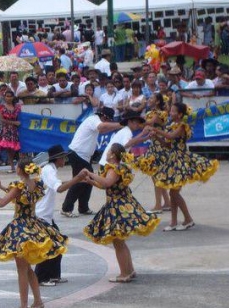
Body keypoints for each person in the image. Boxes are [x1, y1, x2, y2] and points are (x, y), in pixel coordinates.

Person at [0, 159, 67, 308]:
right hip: (33, 225)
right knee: (27, 269)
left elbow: (2, 203)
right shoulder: (34, 184)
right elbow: (18, 196)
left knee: (22, 271)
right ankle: (38, 301)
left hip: (20, 228)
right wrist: (1, 186)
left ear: (20, 170)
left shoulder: (19, 185)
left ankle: (24, 305)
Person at [82, 143, 160, 282]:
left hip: (117, 207)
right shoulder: (119, 168)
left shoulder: (114, 169)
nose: (106, 153)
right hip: (122, 204)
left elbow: (106, 183)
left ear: (113, 155)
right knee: (121, 242)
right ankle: (129, 270)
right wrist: (91, 181)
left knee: (118, 242)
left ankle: (124, 274)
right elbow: (105, 185)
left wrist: (90, 173)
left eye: (108, 151)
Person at [141, 103, 219, 231]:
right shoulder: (172, 126)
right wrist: (156, 137)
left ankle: (188, 219)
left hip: (181, 160)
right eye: (170, 110)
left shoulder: (183, 126)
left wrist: (155, 130)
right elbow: (167, 144)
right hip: (172, 160)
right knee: (173, 191)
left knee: (174, 192)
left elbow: (171, 136)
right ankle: (173, 222)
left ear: (180, 114)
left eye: (172, 111)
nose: (170, 113)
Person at [35, 145, 86, 287]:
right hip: (41, 216)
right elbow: (59, 189)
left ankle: (53, 275)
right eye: (63, 157)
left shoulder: (50, 170)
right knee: (47, 246)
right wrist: (77, 178)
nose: (65, 159)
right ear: (58, 159)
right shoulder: (48, 171)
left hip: (46, 216)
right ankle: (41, 277)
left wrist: (79, 180)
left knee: (58, 242)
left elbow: (57, 184)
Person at [61, 107, 122, 218]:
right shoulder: (93, 119)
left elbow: (104, 129)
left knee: (88, 180)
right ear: (104, 117)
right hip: (78, 153)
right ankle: (66, 208)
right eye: (109, 121)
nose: (109, 123)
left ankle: (83, 207)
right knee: (81, 181)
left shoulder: (96, 121)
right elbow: (102, 127)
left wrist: (118, 126)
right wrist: (120, 124)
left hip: (82, 155)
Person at [0, 90, 21, 172]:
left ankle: (13, 164)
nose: (9, 98)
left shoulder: (17, 107)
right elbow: (2, 120)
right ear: (4, 97)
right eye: (7, 96)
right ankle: (12, 166)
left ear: (13, 97)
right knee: (9, 148)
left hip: (15, 130)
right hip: (6, 130)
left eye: (10, 96)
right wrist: (14, 122)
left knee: (13, 148)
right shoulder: (1, 107)